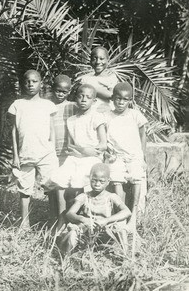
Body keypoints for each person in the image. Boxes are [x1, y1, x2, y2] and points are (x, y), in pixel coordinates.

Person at [8, 69, 58, 229]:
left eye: (34, 81)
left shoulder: (48, 105)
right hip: (25, 153)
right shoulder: (17, 105)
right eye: (27, 81)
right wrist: (15, 156)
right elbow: (14, 131)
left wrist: (53, 149)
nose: (30, 84)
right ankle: (24, 222)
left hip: (46, 153)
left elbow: (52, 130)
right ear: (23, 84)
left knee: (51, 187)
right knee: (24, 189)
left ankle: (54, 220)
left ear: (41, 84)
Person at [46, 83, 107, 208]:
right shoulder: (72, 120)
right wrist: (82, 151)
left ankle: (78, 214)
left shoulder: (97, 117)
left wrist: (86, 151)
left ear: (94, 101)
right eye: (81, 96)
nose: (84, 99)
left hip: (93, 158)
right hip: (76, 157)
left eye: (88, 97)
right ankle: (62, 217)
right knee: (58, 177)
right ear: (76, 98)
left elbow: (103, 145)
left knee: (79, 178)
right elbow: (70, 145)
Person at [57, 163, 131, 254]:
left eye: (101, 181)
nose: (97, 184)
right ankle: (66, 258)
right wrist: (83, 219)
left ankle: (126, 257)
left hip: (106, 234)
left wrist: (107, 220)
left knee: (121, 227)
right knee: (73, 232)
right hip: (87, 233)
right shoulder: (84, 196)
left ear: (108, 181)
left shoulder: (111, 197)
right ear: (90, 179)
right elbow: (69, 213)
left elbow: (127, 212)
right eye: (94, 180)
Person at [105, 82, 148, 232]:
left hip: (134, 156)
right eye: (118, 98)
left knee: (137, 176)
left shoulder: (135, 115)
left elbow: (143, 135)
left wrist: (142, 156)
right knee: (116, 179)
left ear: (130, 100)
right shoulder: (107, 116)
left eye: (125, 99)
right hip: (116, 157)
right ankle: (121, 216)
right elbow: (104, 138)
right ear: (112, 98)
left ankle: (133, 215)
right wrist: (107, 152)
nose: (121, 102)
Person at [49, 74, 77, 218]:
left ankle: (68, 215)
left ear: (69, 91)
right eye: (57, 90)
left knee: (69, 185)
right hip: (52, 152)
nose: (60, 94)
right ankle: (54, 216)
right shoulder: (47, 105)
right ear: (52, 88)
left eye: (64, 91)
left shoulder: (73, 106)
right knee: (52, 184)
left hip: (68, 152)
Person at [79, 46, 118, 113]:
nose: (98, 62)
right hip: (88, 113)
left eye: (101, 58)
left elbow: (111, 95)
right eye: (94, 59)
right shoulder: (86, 78)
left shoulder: (111, 77)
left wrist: (90, 87)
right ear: (90, 61)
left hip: (105, 112)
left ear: (107, 60)